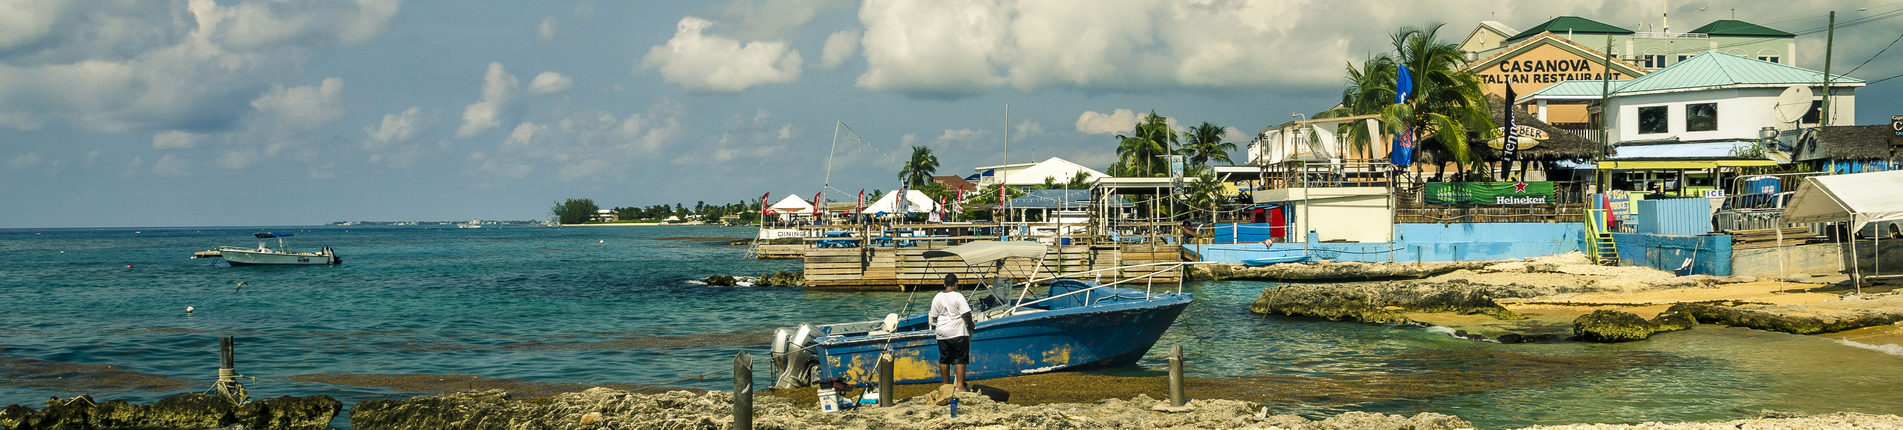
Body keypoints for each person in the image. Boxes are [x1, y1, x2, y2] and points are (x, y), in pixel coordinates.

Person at [930, 273, 974, 392]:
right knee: (960, 358)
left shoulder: (937, 297)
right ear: (956, 283)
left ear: (944, 284)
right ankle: (960, 386)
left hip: (942, 332)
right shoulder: (958, 296)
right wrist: (971, 324)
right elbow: (966, 313)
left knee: (944, 358)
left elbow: (934, 316)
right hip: (957, 331)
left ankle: (945, 385)